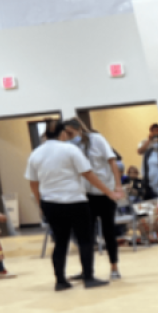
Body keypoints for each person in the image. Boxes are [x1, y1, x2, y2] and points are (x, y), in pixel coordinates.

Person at [26, 119, 123, 291]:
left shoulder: (35, 154)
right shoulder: (70, 149)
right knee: (85, 239)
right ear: (62, 133)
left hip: (51, 203)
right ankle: (88, 277)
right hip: (75, 201)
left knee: (60, 242)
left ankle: (60, 281)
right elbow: (88, 174)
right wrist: (109, 192)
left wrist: (41, 204)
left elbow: (33, 183)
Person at [66, 118, 125, 279]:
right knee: (86, 234)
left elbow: (112, 161)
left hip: (106, 192)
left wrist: (118, 185)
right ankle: (87, 270)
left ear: (79, 129)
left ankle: (114, 267)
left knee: (108, 231)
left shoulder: (97, 140)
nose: (69, 136)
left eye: (71, 133)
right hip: (86, 195)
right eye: (66, 134)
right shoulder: (70, 146)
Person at [137, 123, 158, 200]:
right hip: (148, 178)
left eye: (157, 131)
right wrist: (149, 140)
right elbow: (139, 151)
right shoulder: (145, 141)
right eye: (153, 131)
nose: (155, 132)